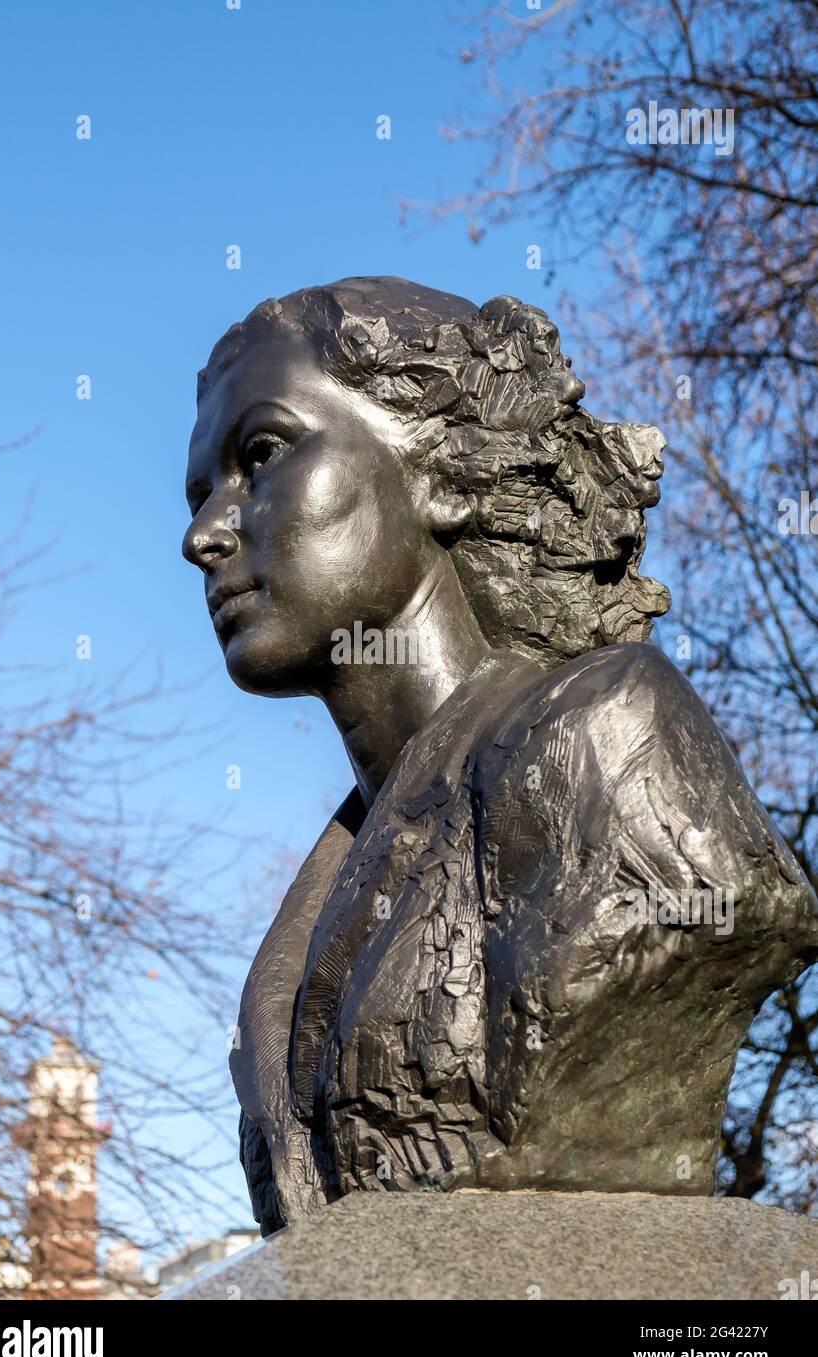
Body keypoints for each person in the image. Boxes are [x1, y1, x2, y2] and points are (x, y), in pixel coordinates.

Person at [184, 277, 818, 1234]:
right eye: (201, 495)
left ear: (437, 475)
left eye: (262, 455)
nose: (204, 535)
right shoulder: (313, 908)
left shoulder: (607, 731)